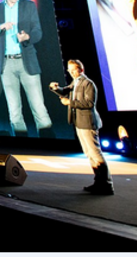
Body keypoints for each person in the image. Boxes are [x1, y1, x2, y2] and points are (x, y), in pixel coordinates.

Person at [0, 0, 53, 136]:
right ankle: (22, 143)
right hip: (6, 64)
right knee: (14, 111)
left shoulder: (28, 6)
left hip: (26, 61)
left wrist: (27, 37)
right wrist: (1, 26)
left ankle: (48, 141)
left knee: (38, 107)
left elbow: (38, 32)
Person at [50, 59, 113, 195]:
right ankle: (99, 182)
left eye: (74, 70)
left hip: (88, 122)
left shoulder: (88, 83)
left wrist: (69, 103)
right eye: (69, 70)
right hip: (79, 122)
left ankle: (107, 184)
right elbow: (66, 91)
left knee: (95, 153)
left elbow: (89, 103)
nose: (71, 72)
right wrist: (56, 89)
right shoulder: (76, 81)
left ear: (81, 69)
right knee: (89, 154)